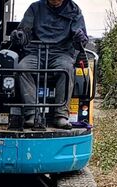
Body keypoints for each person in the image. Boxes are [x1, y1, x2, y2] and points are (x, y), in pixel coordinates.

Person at [10, 0, 88, 129]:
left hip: (61, 53)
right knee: (22, 67)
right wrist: (20, 35)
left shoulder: (74, 10)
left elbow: (79, 39)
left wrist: (80, 38)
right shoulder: (35, 8)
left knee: (67, 69)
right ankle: (32, 113)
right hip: (35, 52)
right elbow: (25, 32)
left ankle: (61, 115)